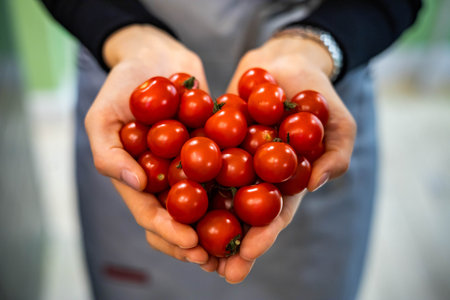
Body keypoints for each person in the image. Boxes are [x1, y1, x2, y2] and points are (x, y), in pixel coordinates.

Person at [40, 0, 422, 299]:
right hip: (126, 74)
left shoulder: (291, 126)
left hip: (318, 73)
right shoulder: (157, 123)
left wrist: (317, 44)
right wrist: (125, 35)